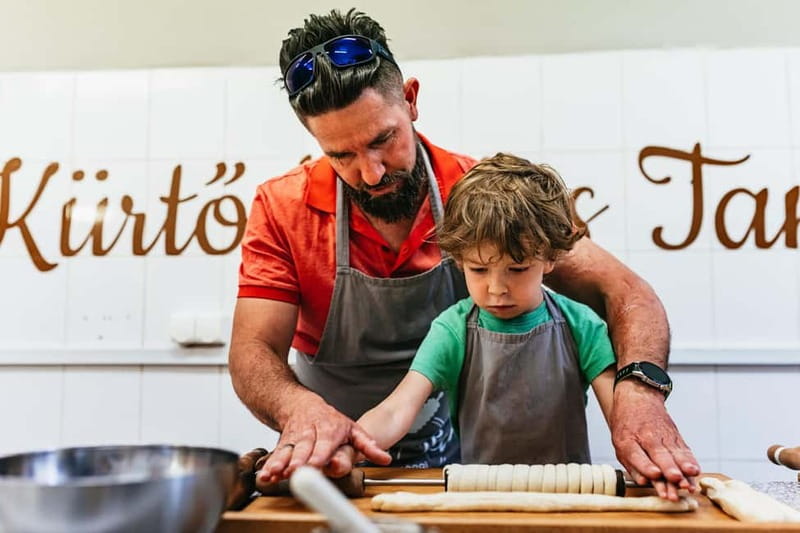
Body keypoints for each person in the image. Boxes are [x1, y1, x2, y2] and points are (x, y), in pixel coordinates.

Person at [228, 8, 699, 501]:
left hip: (452, 449)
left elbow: (626, 291)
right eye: (340, 155)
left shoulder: (480, 198)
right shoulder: (281, 207)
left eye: (383, 140)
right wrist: (299, 410)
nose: (370, 172)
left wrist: (639, 394)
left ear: (410, 100)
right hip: (331, 453)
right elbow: (251, 352)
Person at [344, 153, 617, 468]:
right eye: (478, 270)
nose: (497, 288)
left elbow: (620, 416)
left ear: (550, 258)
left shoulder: (582, 325)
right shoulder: (452, 330)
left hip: (569, 495)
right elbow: (397, 409)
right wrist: (350, 445)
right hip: (478, 496)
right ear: (458, 260)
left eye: (517, 269)